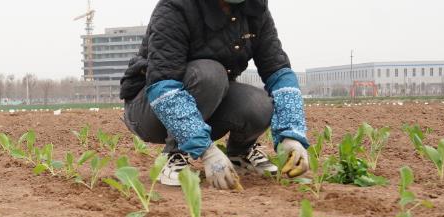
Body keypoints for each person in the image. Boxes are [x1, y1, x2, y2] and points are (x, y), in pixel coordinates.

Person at [121, 0, 309, 190]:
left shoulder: (255, 9)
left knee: (259, 104)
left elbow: (279, 72)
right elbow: (163, 86)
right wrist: (206, 150)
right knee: (211, 75)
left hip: (210, 102)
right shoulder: (176, 6)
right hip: (149, 108)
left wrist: (291, 134)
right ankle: (175, 153)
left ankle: (239, 154)